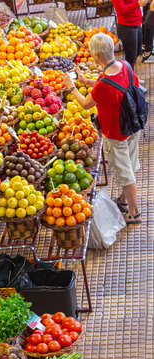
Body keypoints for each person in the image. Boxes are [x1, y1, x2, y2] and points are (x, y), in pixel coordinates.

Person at [63, 32, 142, 225]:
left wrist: (72, 87)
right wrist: (88, 82)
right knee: (129, 164)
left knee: (124, 172)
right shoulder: (125, 66)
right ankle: (124, 201)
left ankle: (134, 212)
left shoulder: (101, 86)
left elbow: (85, 104)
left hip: (116, 133)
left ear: (96, 56)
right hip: (133, 125)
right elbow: (117, 86)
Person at [112, 0, 147, 68]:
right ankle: (129, 77)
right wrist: (137, 4)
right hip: (127, 27)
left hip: (136, 23)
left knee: (136, 53)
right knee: (131, 57)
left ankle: (130, 76)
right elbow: (120, 10)